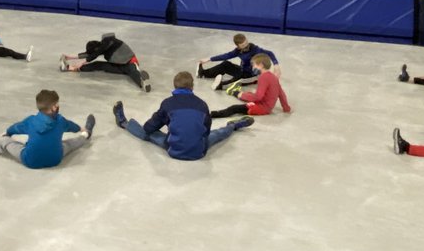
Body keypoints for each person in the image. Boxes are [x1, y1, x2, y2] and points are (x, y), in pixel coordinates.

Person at [114, 71, 253, 160]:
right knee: (217, 134)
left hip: (173, 151)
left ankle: (123, 122)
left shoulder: (168, 104)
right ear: (192, 87)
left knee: (147, 134)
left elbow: (150, 127)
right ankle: (233, 126)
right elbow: (206, 131)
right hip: (199, 152)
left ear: (174, 87)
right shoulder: (202, 105)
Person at [0, 89, 94, 168]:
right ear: (53, 108)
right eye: (57, 104)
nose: (58, 105)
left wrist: (7, 132)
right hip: (55, 159)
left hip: (30, 160)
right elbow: (71, 126)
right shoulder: (61, 121)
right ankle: (86, 134)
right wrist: (81, 128)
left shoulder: (31, 121)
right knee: (70, 143)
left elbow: (16, 128)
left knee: (6, 142)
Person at [209, 54, 291, 119]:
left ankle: (212, 114)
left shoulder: (263, 77)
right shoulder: (273, 77)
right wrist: (286, 108)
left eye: (254, 65)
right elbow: (281, 94)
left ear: (261, 65)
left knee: (234, 108)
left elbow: (258, 97)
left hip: (261, 108)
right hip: (267, 107)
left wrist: (242, 95)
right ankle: (236, 92)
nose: (253, 67)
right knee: (248, 94)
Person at [59, 32, 149, 91]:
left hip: (130, 62)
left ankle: (142, 82)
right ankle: (69, 68)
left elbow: (95, 54)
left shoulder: (108, 41)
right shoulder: (101, 48)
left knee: (132, 71)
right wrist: (69, 57)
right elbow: (90, 54)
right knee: (98, 65)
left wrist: (83, 61)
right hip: (118, 66)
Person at [197, 33, 280, 91]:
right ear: (238, 46)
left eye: (246, 43)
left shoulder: (255, 49)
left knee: (239, 79)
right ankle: (204, 73)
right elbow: (226, 56)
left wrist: (276, 65)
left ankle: (221, 86)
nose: (246, 46)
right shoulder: (237, 51)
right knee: (226, 64)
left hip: (252, 76)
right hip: (242, 70)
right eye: (243, 45)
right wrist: (208, 59)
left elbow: (270, 53)